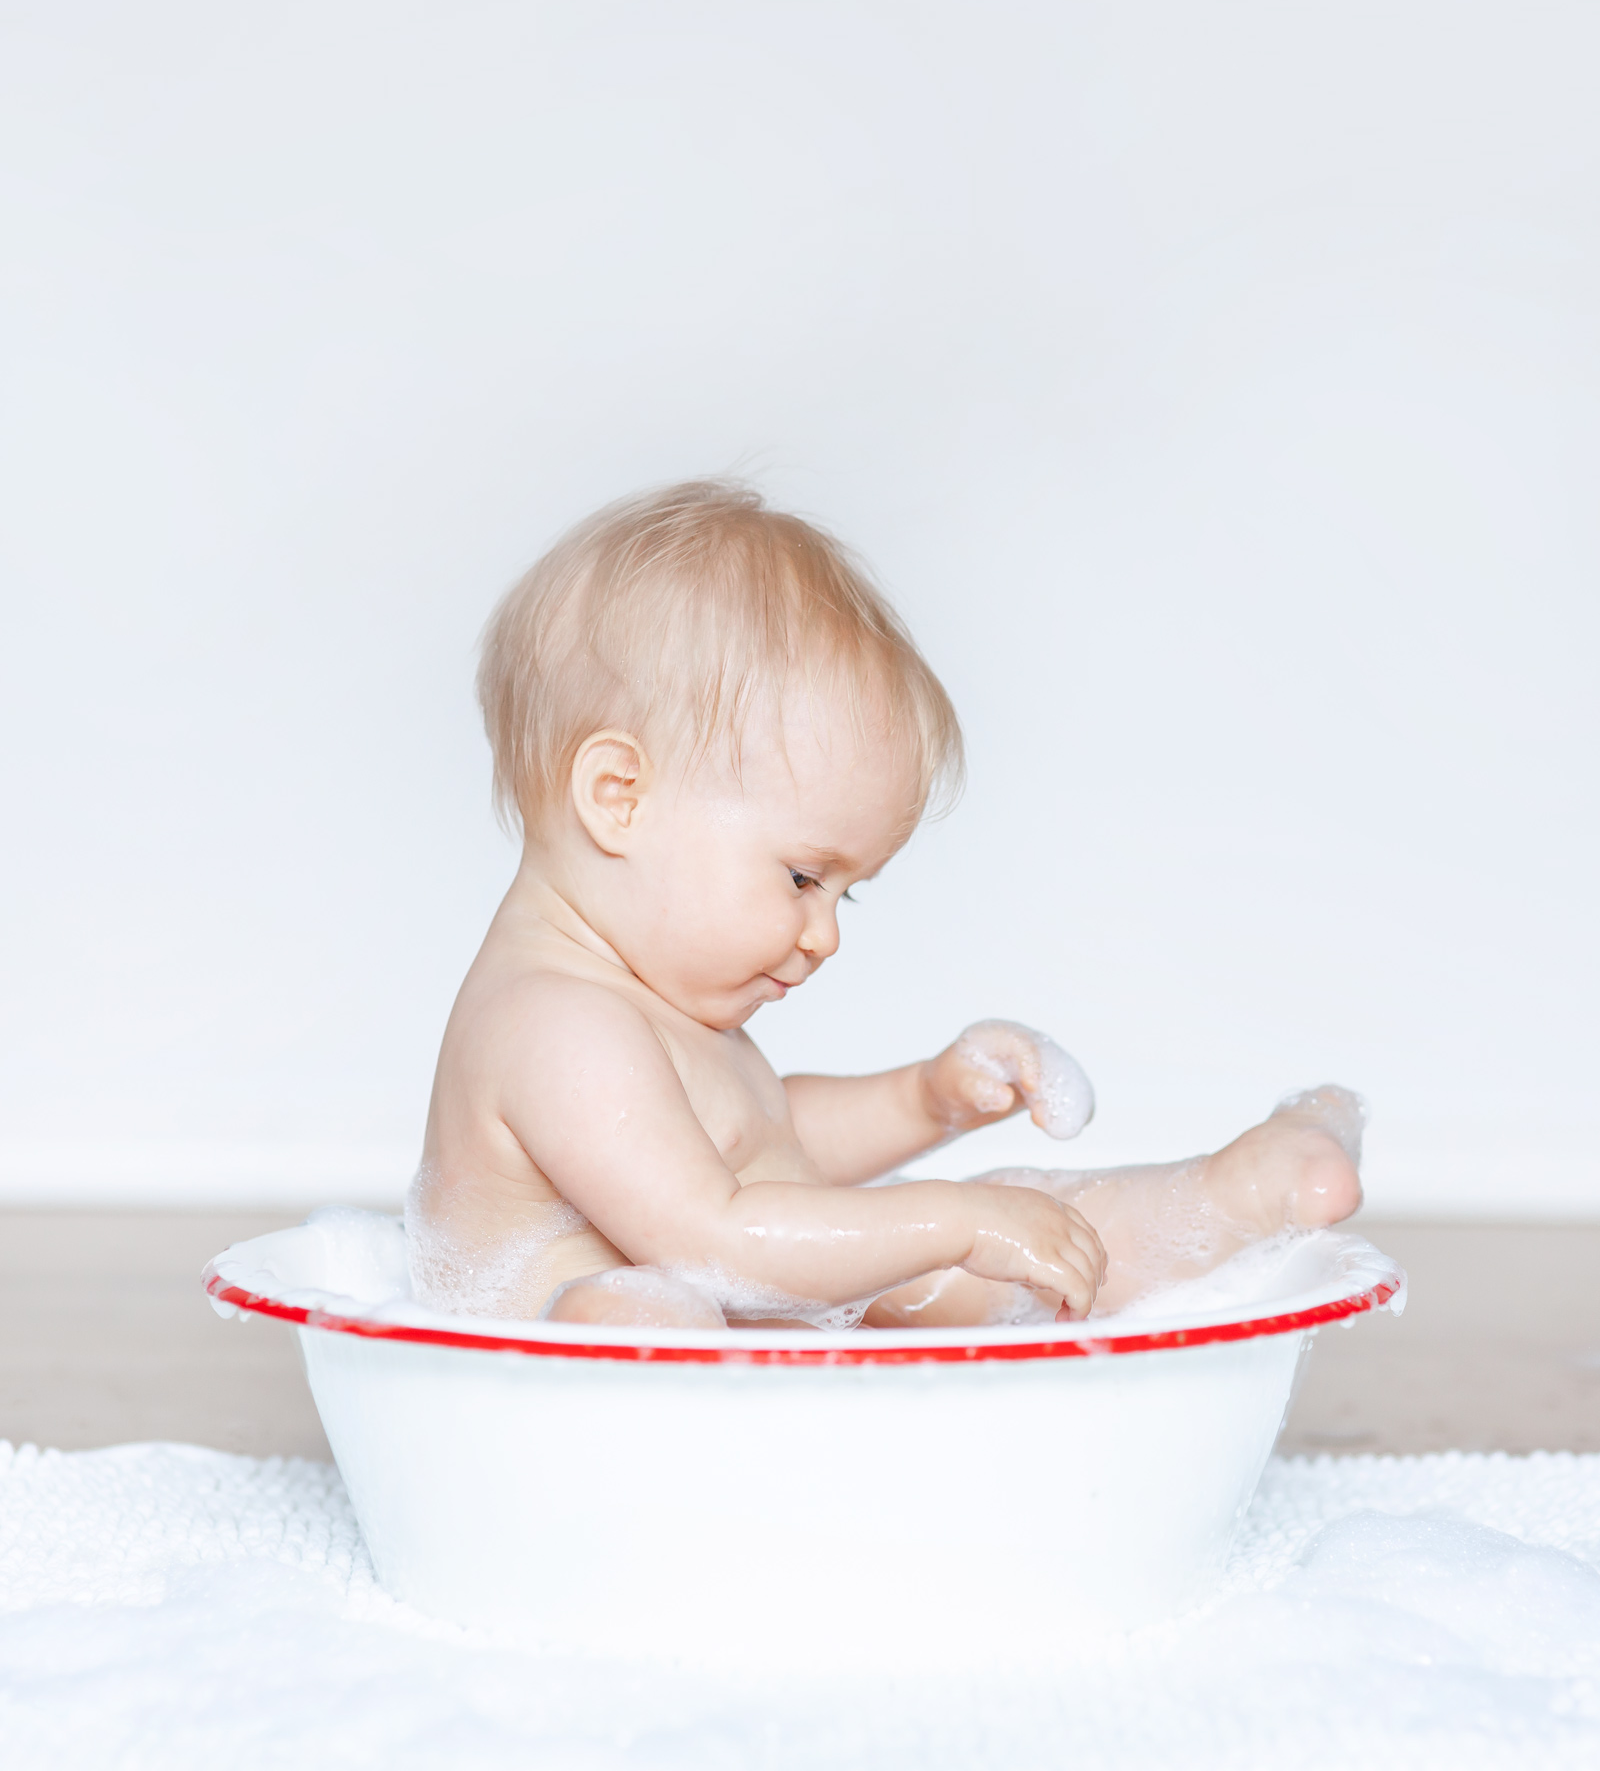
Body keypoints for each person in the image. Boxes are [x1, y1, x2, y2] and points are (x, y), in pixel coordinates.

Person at [408, 480, 1362, 1329]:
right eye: (801, 878)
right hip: (545, 1386)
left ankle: (1233, 1195)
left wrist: (925, 1099)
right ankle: (642, 1376)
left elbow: (770, 1140)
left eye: (846, 893)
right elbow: (719, 1235)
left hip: (750, 1305)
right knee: (659, 1303)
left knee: (1017, 1242)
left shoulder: (651, 1004)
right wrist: (954, 1220)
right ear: (620, 797)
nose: (823, 935)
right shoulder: (555, 1027)